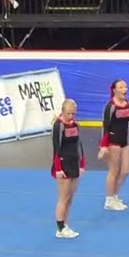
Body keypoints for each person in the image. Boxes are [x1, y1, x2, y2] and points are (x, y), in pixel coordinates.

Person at [97, 80, 129, 211]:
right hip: (113, 142)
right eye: (121, 87)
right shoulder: (110, 106)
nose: (125, 89)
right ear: (114, 90)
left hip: (124, 142)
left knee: (125, 171)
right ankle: (109, 199)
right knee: (114, 171)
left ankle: (114, 195)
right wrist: (103, 146)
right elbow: (105, 127)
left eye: (125, 87)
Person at [50, 99, 84, 239]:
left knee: (70, 198)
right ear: (63, 111)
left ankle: (66, 224)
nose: (71, 116)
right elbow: (56, 148)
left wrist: (82, 164)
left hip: (74, 163)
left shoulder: (75, 125)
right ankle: (60, 228)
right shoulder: (59, 126)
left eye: (73, 114)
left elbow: (79, 145)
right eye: (68, 113)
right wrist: (58, 169)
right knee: (63, 198)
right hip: (62, 165)